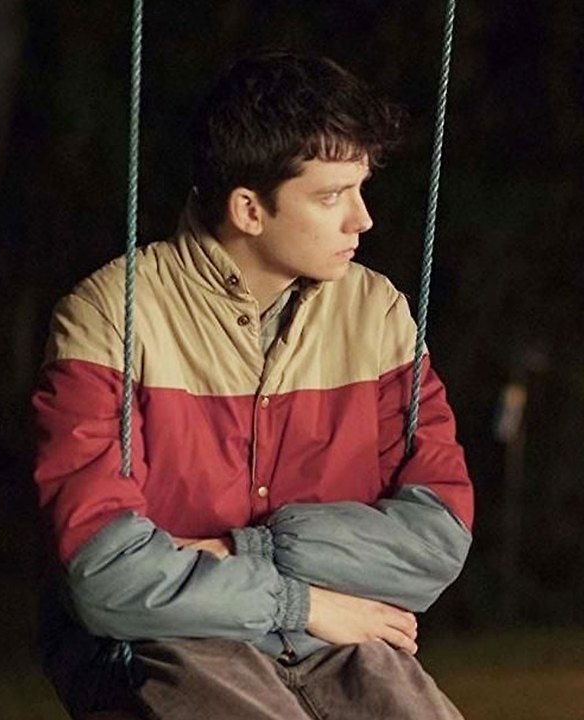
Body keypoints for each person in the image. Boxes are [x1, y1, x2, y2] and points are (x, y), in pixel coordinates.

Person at [33, 53, 473, 719]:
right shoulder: (111, 316)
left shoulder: (376, 313)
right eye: (331, 196)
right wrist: (300, 601)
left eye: (360, 189)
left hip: (341, 637)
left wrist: (248, 550)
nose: (362, 220)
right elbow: (104, 574)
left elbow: (436, 538)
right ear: (248, 209)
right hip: (166, 643)